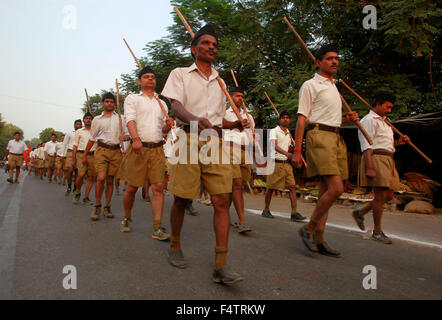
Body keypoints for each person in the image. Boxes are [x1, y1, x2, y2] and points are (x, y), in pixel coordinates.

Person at [162, 25, 244, 284]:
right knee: (182, 198)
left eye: (215, 45)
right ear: (193, 48)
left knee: (222, 199)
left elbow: (218, 120)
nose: (211, 47)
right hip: (189, 138)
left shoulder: (221, 81)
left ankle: (221, 264)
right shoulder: (180, 74)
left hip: (214, 142)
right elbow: (176, 107)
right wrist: (196, 119)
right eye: (206, 43)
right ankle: (175, 244)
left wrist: (233, 125)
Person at [293, 44, 359, 258]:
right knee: (337, 188)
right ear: (318, 62)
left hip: (335, 136)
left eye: (336, 58)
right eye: (329, 58)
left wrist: (346, 120)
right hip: (319, 136)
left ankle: (320, 240)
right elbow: (303, 119)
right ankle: (308, 229)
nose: (334, 61)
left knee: (326, 192)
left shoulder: (333, 87)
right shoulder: (310, 85)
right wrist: (296, 150)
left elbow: (329, 118)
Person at [119, 66, 173, 241]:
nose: (151, 79)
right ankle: (127, 217)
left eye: (153, 77)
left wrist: (168, 125)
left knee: (158, 188)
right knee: (132, 188)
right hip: (138, 148)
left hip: (157, 149)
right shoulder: (132, 99)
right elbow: (130, 119)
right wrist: (135, 139)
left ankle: (157, 227)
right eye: (147, 76)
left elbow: (163, 130)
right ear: (139, 81)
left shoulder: (161, 103)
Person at [352, 92, 410, 244]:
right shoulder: (369, 120)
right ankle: (377, 232)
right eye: (387, 107)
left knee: (389, 195)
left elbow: (385, 144)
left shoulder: (385, 122)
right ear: (378, 104)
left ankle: (361, 212)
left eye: (391, 107)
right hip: (375, 159)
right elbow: (367, 145)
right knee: (379, 196)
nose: (389, 110)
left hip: (388, 159)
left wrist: (399, 142)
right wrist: (370, 167)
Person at [83, 92, 130, 221]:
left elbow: (127, 134)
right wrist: (85, 155)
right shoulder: (97, 120)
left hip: (116, 151)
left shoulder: (121, 118)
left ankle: (107, 206)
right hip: (102, 150)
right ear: (103, 103)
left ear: (115, 104)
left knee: (110, 180)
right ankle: (97, 205)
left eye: (111, 101)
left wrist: (124, 137)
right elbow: (92, 138)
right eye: (106, 101)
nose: (109, 103)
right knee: (101, 177)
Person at [261, 111, 306, 223]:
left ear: (289, 120)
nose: (285, 119)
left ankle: (294, 212)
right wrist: (288, 154)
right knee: (271, 188)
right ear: (279, 119)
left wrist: (294, 149)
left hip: (286, 163)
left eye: (287, 118)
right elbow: (275, 146)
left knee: (292, 187)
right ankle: (266, 209)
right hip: (275, 162)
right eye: (283, 118)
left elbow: (288, 148)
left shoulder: (289, 133)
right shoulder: (274, 131)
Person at [223, 87, 255, 233]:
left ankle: (224, 215)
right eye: (237, 96)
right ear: (230, 98)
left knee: (237, 185)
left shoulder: (249, 116)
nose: (240, 99)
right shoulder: (224, 112)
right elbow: (220, 125)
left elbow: (251, 136)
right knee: (236, 184)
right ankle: (242, 221)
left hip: (244, 151)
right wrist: (236, 123)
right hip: (229, 149)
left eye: (242, 96)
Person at [72, 113, 96, 205]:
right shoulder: (79, 131)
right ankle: (78, 192)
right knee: (81, 175)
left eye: (90, 118)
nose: (88, 120)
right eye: (86, 118)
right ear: (83, 120)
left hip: (93, 155)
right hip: (81, 154)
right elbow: (75, 145)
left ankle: (86, 197)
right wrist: (74, 159)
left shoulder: (96, 130)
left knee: (90, 177)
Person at [62, 120, 83, 196]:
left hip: (80, 152)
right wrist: (62, 154)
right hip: (70, 152)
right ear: (74, 125)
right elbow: (64, 144)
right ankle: (69, 186)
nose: (79, 125)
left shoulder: (83, 133)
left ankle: (75, 187)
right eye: (77, 124)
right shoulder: (70, 133)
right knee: (70, 170)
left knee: (78, 172)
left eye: (80, 124)